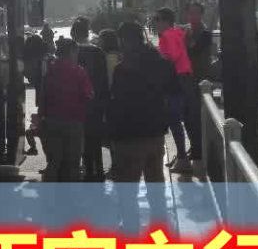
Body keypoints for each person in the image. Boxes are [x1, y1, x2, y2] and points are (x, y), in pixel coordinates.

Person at [108, 21, 178, 231]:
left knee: (128, 191)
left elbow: (119, 104)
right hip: (155, 134)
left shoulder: (123, 70)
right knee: (156, 186)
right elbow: (173, 92)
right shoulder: (160, 63)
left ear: (124, 41)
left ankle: (131, 232)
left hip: (130, 137)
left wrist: (111, 134)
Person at [153, 6, 202, 172]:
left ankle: (182, 157)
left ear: (166, 21)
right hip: (186, 77)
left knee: (174, 120)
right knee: (187, 118)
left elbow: (172, 56)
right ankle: (189, 154)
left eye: (157, 19)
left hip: (175, 79)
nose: (155, 23)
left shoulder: (166, 35)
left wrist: (158, 55)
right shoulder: (177, 32)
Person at [38, 36, 93, 181]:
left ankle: (50, 190)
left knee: (54, 162)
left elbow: (43, 96)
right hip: (73, 122)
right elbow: (88, 95)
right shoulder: (79, 72)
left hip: (52, 121)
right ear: (72, 52)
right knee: (72, 163)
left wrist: (40, 117)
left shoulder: (50, 71)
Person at [70, 15, 110, 180]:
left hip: (77, 103)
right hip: (96, 103)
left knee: (82, 140)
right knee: (95, 140)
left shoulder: (72, 53)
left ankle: (87, 171)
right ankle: (98, 171)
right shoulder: (98, 52)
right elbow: (104, 81)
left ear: (73, 34)